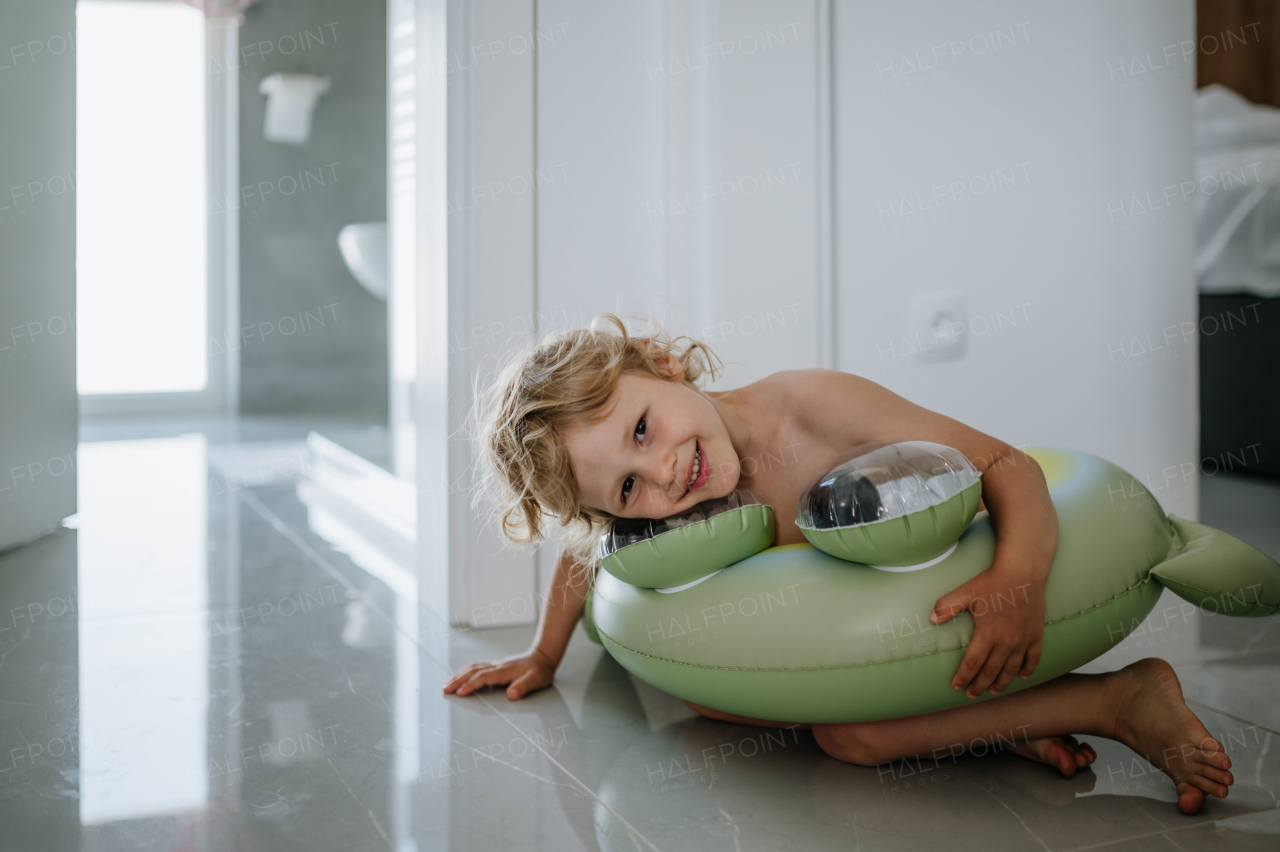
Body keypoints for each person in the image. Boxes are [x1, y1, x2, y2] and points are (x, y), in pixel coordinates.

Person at [444, 314, 1232, 814]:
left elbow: (1006, 465)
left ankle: (1112, 702)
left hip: (935, 606)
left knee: (850, 738)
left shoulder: (813, 408)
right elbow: (591, 557)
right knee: (780, 724)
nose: (661, 477)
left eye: (643, 430)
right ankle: (1002, 728)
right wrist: (546, 654)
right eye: (626, 486)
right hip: (853, 657)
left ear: (663, 361)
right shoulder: (662, 504)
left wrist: (1018, 577)